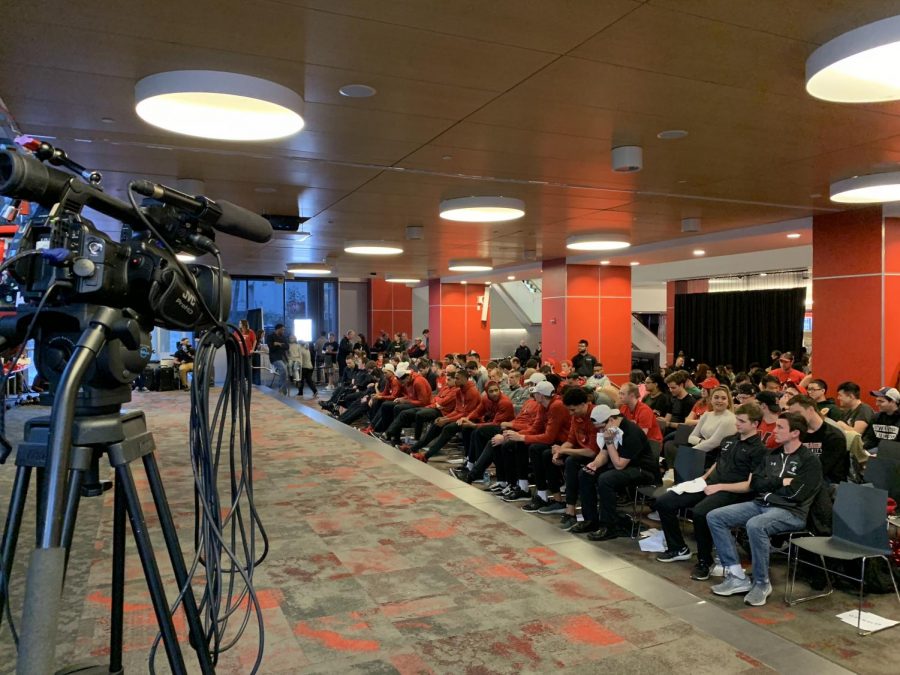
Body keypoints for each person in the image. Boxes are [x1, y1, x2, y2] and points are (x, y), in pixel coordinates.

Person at [706, 412, 823, 607]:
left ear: (795, 433)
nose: (774, 431)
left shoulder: (809, 460)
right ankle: (736, 576)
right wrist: (779, 482)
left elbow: (797, 494)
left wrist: (770, 489)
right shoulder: (772, 454)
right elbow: (757, 483)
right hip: (762, 504)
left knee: (755, 525)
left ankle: (762, 583)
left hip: (791, 512)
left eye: (780, 427)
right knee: (715, 516)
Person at [654, 402, 766, 576]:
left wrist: (719, 486)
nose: (737, 424)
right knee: (664, 501)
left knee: (700, 513)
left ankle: (705, 561)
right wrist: (703, 478)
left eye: (742, 421)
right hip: (710, 483)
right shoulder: (729, 440)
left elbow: (749, 485)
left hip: (733, 491)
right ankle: (678, 548)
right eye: (737, 419)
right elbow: (718, 462)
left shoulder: (759, 450)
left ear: (755, 424)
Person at [571, 404, 659, 539]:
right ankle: (591, 520)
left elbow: (619, 465)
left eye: (602, 427)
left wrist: (609, 441)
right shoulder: (611, 428)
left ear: (611, 419)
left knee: (606, 479)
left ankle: (609, 526)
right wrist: (594, 464)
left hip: (643, 470)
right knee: (585, 473)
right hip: (625, 465)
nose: (601, 431)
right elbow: (604, 453)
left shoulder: (631, 432)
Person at [522, 387, 600, 530]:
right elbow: (570, 439)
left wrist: (564, 450)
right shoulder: (576, 416)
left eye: (573, 410)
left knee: (571, 462)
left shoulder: (595, 416)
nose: (570, 414)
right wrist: (559, 452)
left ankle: (570, 510)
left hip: (597, 457)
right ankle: (558, 500)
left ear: (584, 404)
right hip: (580, 452)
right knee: (548, 455)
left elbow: (592, 451)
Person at [499, 380, 571, 502]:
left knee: (536, 449)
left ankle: (544, 494)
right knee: (517, 443)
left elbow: (549, 437)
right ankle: (522, 487)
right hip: (555, 440)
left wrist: (521, 437)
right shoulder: (543, 405)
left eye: (535, 393)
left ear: (541, 395)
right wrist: (514, 435)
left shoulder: (556, 406)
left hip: (563, 442)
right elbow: (535, 428)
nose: (533, 395)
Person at [451, 381, 516, 483]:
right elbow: (478, 411)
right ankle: (470, 464)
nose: (494, 393)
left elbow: (496, 424)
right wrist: (466, 418)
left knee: (478, 431)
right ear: (486, 392)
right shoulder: (485, 399)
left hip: (503, 428)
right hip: (494, 425)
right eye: (491, 391)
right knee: (468, 429)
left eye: (496, 390)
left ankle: (477, 470)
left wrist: (474, 425)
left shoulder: (505, 402)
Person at [412, 368, 481, 462]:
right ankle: (414, 448)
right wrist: (444, 418)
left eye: (457, 378)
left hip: (472, 419)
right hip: (462, 417)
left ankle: (426, 456)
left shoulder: (472, 392)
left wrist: (447, 420)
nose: (455, 380)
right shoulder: (459, 391)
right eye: (455, 378)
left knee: (448, 428)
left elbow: (466, 413)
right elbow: (458, 410)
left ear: (465, 379)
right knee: (437, 423)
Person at [863, 386, 900, 453]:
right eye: (877, 400)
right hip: (876, 451)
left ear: (893, 402)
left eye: (881, 401)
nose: (877, 404)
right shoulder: (876, 417)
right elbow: (869, 439)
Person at [267, 325, 289, 394]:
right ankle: (281, 389)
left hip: (283, 357)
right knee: (283, 369)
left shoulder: (283, 337)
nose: (283, 331)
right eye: (282, 329)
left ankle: (284, 391)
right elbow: (270, 347)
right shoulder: (270, 336)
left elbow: (287, 347)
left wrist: (278, 344)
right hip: (275, 357)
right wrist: (278, 345)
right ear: (278, 329)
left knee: (285, 373)